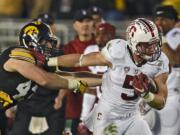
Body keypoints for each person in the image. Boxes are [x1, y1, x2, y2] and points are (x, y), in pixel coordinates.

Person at [48, 18, 169, 135]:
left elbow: (161, 102)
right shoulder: (118, 50)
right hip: (108, 116)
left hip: (133, 117)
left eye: (155, 44)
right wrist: (50, 61)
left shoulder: (160, 61)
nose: (153, 50)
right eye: (147, 45)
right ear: (134, 43)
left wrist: (146, 95)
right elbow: (80, 60)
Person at [0, 21, 100, 135]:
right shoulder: (17, 55)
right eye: (45, 41)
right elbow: (45, 80)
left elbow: (74, 75)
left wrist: (103, 79)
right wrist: (75, 84)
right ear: (30, 42)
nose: (49, 46)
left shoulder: (39, 62)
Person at [61, 9, 95, 135]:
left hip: (99, 109)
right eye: (81, 21)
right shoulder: (68, 48)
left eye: (88, 21)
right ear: (75, 25)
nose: (85, 24)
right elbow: (64, 78)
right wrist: (84, 87)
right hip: (74, 109)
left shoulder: (103, 47)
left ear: (93, 24)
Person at [149, 5, 180, 135]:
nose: (159, 22)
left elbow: (176, 60)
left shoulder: (176, 35)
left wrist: (160, 38)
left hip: (172, 94)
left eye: (163, 19)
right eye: (157, 19)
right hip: (152, 95)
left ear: (174, 21)